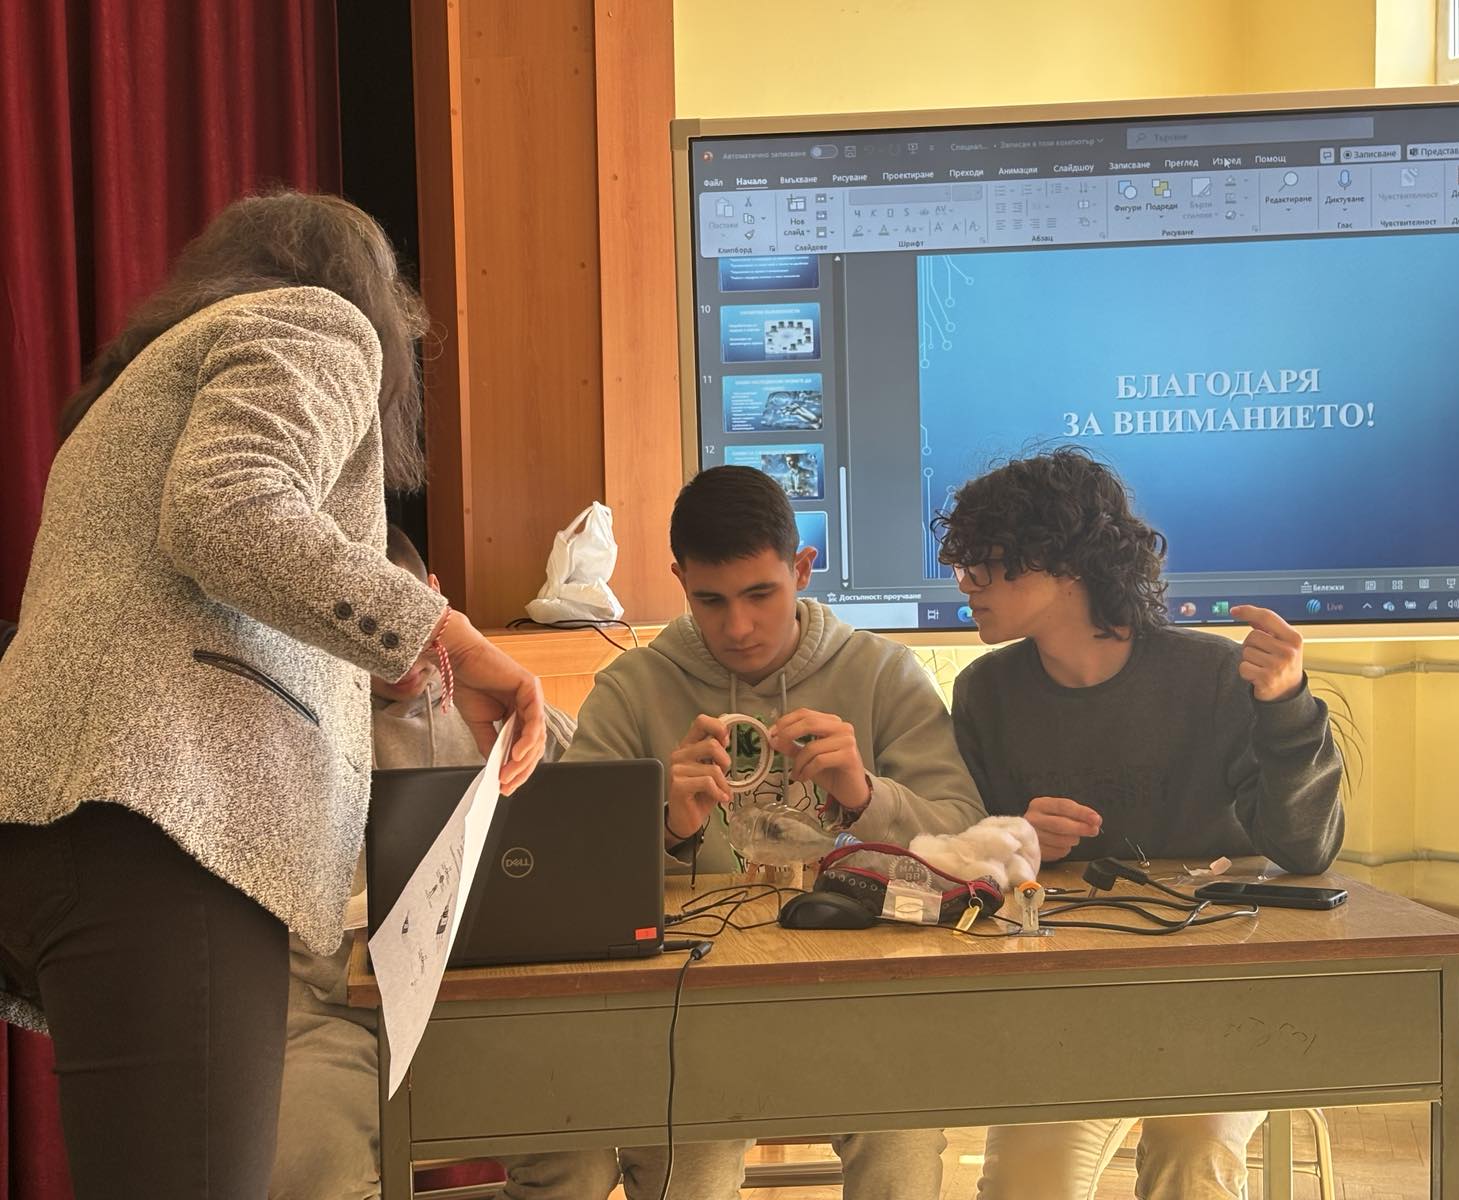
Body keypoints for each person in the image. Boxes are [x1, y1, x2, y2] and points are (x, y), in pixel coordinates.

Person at [0, 191, 545, 1200]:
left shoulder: (125, 397)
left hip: (55, 832)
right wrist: (449, 637)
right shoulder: (315, 319)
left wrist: (375, 658)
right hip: (170, 827)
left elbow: (180, 595)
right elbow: (230, 512)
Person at [499, 465, 986, 1200]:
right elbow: (564, 871)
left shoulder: (884, 674)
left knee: (903, 1142)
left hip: (859, 999)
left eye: (761, 594)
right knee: (687, 1162)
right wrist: (666, 827)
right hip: (686, 1012)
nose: (737, 627)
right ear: (679, 581)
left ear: (802, 569)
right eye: (710, 600)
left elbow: (968, 843)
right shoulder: (633, 689)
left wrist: (864, 795)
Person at [935, 446, 1343, 1200]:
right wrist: (1014, 838)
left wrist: (1287, 704)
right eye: (963, 564)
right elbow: (966, 869)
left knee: (1195, 1157)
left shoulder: (1213, 676)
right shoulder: (985, 692)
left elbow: (1305, 848)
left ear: (1065, 565)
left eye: (985, 563)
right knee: (1026, 1184)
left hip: (1216, 993)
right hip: (1062, 1001)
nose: (964, 583)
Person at [269, 525, 576, 1200]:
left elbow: (599, 831)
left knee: (578, 1155)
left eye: (408, 617)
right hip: (334, 1015)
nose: (394, 646)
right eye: (366, 630)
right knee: (311, 1167)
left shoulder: (512, 714)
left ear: (435, 599)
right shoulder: (293, 723)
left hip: (485, 1006)